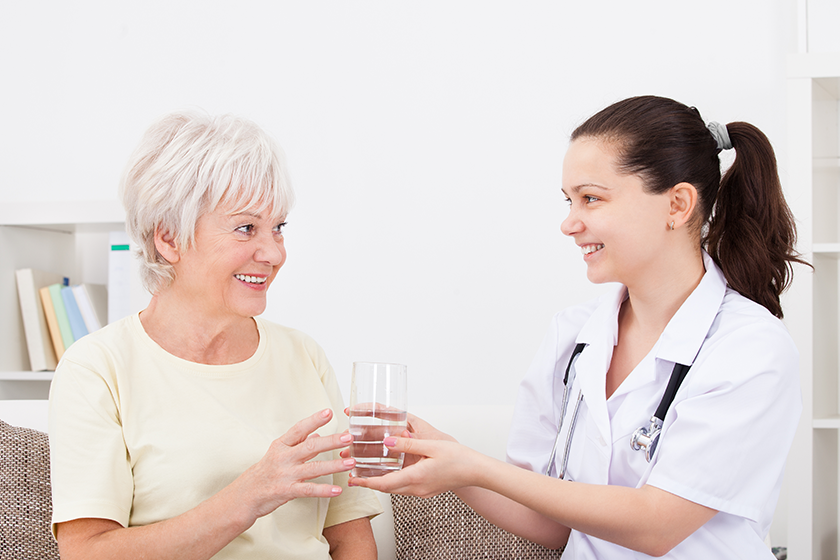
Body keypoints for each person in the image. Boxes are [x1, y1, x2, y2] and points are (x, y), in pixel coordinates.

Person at [350, 95, 805, 558]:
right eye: (569, 200)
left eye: (591, 198)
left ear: (678, 204)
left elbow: (657, 526)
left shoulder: (750, 348)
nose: (569, 223)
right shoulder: (572, 335)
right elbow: (553, 522)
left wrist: (474, 466)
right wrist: (450, 461)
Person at [48, 110, 382, 560]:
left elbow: (349, 536)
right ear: (169, 238)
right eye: (246, 227)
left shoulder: (303, 355)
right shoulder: (97, 368)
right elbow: (87, 553)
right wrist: (247, 497)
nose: (273, 252)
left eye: (278, 227)